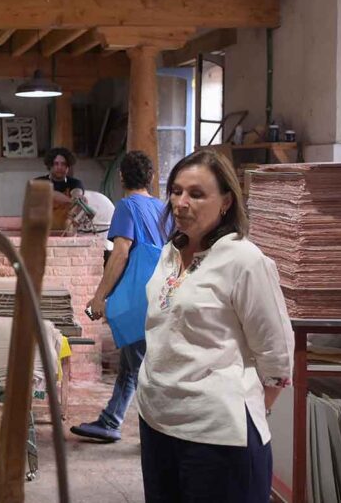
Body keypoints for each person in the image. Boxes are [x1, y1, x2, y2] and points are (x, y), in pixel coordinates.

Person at [137, 150, 293, 502]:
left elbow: (277, 355)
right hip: (158, 423)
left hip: (218, 437)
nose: (181, 203)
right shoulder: (170, 252)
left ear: (226, 202)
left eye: (196, 194)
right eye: (176, 191)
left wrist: (245, 404)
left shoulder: (244, 260)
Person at [70, 151, 169, 442]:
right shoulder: (163, 208)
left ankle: (160, 432)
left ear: (121, 177)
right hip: (164, 294)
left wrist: (99, 297)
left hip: (139, 298)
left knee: (140, 368)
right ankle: (111, 421)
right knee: (135, 364)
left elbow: (121, 253)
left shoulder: (126, 206)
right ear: (151, 177)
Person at [37, 147, 85, 231]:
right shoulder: (39, 182)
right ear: (50, 165)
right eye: (56, 164)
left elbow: (78, 193)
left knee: (83, 200)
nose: (60, 167)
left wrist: (78, 197)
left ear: (68, 166)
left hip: (66, 230)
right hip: (42, 229)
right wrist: (71, 201)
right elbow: (50, 193)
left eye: (63, 164)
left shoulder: (75, 183)